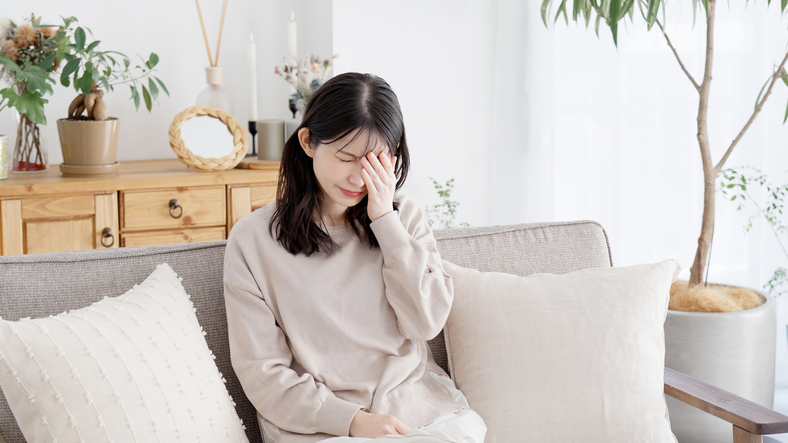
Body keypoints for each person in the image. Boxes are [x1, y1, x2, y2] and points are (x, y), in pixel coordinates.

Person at [223, 72, 487, 443]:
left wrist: (385, 222)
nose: (360, 178)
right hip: (319, 427)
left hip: (415, 415)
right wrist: (352, 421)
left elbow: (425, 323)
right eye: (346, 157)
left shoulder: (403, 218)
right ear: (308, 142)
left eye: (376, 161)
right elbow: (262, 372)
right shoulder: (253, 240)